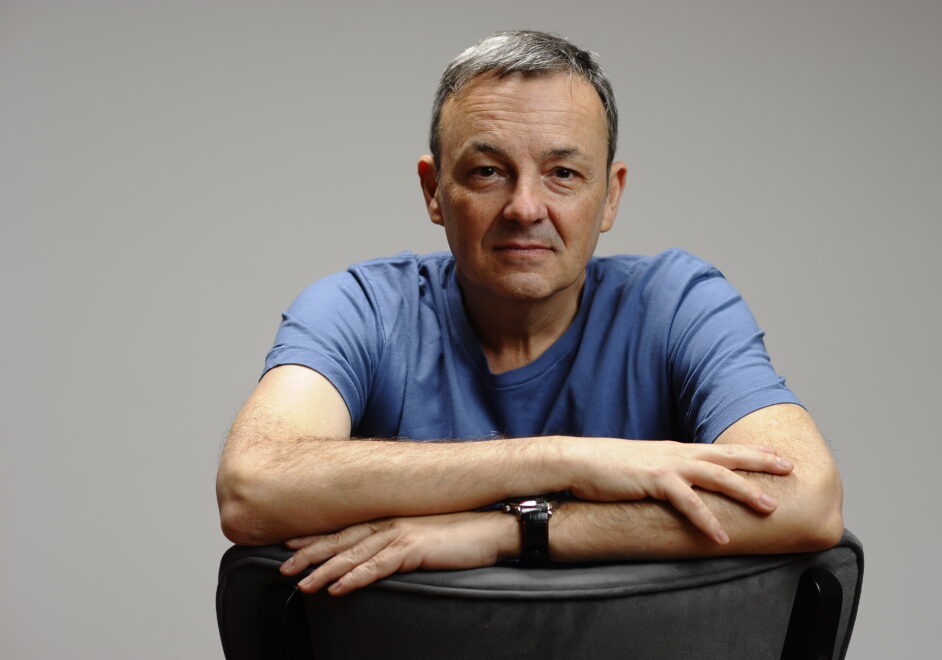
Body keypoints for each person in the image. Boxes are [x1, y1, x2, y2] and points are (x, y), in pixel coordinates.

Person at [216, 30, 843, 597]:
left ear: (610, 195)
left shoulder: (677, 305)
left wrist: (509, 530)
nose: (524, 207)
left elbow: (806, 499)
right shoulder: (361, 308)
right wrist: (562, 460)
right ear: (434, 190)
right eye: (488, 171)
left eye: (562, 173)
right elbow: (253, 487)